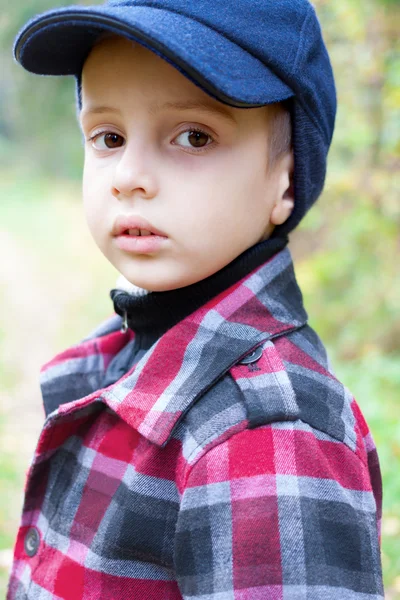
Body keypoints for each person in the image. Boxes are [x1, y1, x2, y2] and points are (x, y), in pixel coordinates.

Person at [9, 1, 384, 598]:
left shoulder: (265, 433)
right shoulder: (130, 356)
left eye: (192, 136)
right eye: (108, 136)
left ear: (285, 179)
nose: (128, 175)